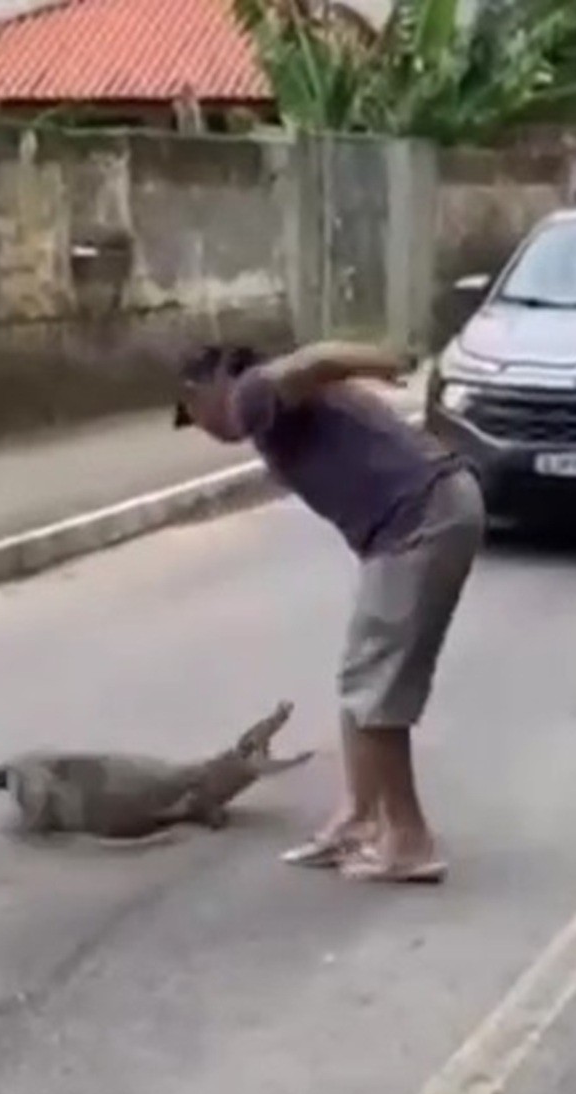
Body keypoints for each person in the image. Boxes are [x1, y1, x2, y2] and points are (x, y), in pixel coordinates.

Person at [173, 340, 484, 884]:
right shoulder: (270, 404)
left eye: (188, 412)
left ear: (206, 387)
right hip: (422, 515)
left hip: (420, 519)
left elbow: (316, 359)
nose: (197, 427)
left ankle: (408, 840)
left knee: (375, 687)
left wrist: (382, 360)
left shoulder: (251, 393)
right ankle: (360, 818)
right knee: (361, 677)